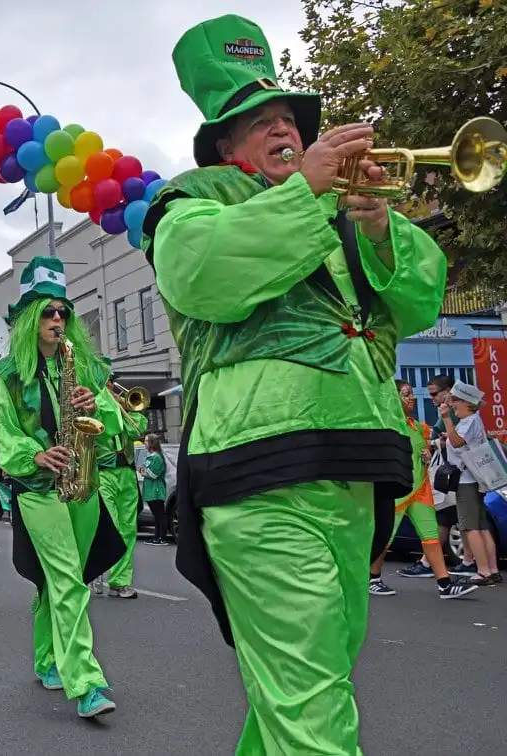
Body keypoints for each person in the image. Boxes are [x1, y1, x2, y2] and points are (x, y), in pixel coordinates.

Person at [141, 15, 448, 753]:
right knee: (313, 712)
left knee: (303, 691)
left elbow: (419, 303)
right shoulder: (192, 202)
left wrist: (378, 226)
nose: (284, 131)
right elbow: (203, 277)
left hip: (358, 470)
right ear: (226, 146)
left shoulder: (337, 211)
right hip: (261, 474)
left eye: (290, 119)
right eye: (260, 123)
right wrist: (306, 196)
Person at [0, 255, 125, 719]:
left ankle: (48, 659)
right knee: (68, 579)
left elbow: (115, 424)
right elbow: (5, 433)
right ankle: (86, 682)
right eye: (47, 312)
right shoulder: (8, 376)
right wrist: (35, 454)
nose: (56, 320)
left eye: (62, 312)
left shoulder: (83, 367)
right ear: (31, 318)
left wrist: (96, 406)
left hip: (82, 484)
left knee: (64, 581)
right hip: (38, 489)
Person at [368, 382, 477, 599]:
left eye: (411, 394)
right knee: (384, 537)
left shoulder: (417, 427)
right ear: (392, 399)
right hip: (396, 491)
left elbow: (427, 446)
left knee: (431, 537)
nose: (412, 398)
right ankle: (373, 578)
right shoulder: (386, 425)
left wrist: (426, 454)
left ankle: (444, 584)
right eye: (406, 394)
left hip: (420, 490)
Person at [94, 364, 148, 598]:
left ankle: (119, 581)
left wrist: (127, 408)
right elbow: (103, 430)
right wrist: (109, 405)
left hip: (126, 472)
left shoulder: (124, 408)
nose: (110, 386)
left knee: (128, 528)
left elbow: (138, 431)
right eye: (106, 381)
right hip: (103, 473)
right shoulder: (94, 403)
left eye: (111, 381)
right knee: (109, 526)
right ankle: (94, 571)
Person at [441, 381, 502, 585]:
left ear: (467, 403)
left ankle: (483, 570)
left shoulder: (468, 422)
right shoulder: (472, 420)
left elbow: (458, 442)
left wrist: (446, 420)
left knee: (470, 527)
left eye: (455, 400)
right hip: (475, 479)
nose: (452, 404)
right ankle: (492, 569)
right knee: (482, 526)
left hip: (466, 480)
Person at [139, 434, 169, 546]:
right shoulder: (149, 456)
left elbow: (153, 474)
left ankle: (162, 538)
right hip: (150, 490)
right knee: (156, 516)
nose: (144, 443)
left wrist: (143, 472)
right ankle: (156, 537)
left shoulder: (157, 457)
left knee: (160, 514)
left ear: (152, 443)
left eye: (147, 441)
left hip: (156, 490)